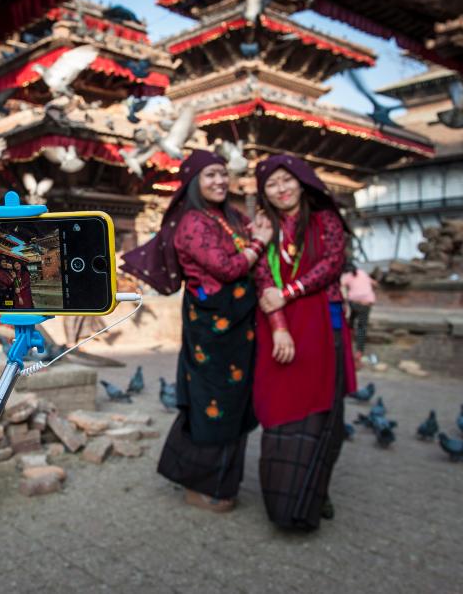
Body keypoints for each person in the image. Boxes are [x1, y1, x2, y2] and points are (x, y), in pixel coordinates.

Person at [122, 150, 273, 513]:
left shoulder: (231, 215)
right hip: (212, 328)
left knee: (234, 403)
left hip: (240, 326)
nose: (220, 181)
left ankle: (216, 481)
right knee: (213, 405)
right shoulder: (192, 223)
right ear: (193, 182)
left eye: (223, 174)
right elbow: (228, 267)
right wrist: (259, 243)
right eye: (210, 175)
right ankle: (200, 483)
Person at [252, 154, 357, 531]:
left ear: (300, 180)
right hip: (279, 326)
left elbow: (331, 263)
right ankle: (286, 499)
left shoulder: (324, 219)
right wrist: (279, 324)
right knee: (281, 406)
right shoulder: (264, 226)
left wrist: (290, 290)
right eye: (271, 185)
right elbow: (263, 276)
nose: (281, 190)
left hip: (322, 324)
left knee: (325, 411)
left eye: (286, 180)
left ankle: (317, 490)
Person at [340, 261, 377, 361]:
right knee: (362, 327)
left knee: (351, 320)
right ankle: (359, 351)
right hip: (367, 303)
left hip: (354, 303)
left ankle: (348, 338)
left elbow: (341, 288)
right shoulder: (363, 273)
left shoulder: (346, 276)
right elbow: (374, 283)